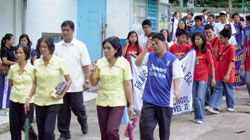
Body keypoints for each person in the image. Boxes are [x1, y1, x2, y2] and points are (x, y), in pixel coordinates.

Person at [135, 33, 183, 140]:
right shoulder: (150, 56)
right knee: (145, 128)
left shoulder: (173, 59)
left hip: (165, 101)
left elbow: (176, 76)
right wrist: (146, 49)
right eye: (153, 44)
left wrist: (176, 90)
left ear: (164, 42)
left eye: (157, 43)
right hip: (149, 99)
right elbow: (137, 63)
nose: (155, 46)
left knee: (164, 133)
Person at [24, 36, 72, 140]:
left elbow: (69, 80)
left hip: (53, 100)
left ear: (50, 47)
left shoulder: (60, 62)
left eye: (45, 47)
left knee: (48, 130)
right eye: (41, 47)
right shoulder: (36, 63)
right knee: (41, 132)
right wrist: (28, 98)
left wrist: (62, 94)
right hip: (39, 100)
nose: (42, 49)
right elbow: (35, 84)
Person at [90, 36, 134, 140]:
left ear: (116, 49)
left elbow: (128, 85)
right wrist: (92, 74)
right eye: (104, 48)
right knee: (104, 133)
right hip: (102, 101)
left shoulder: (124, 63)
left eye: (108, 48)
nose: (105, 51)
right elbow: (94, 82)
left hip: (117, 102)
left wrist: (131, 104)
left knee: (111, 130)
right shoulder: (100, 63)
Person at [54, 20, 91, 140]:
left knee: (78, 108)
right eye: (63, 30)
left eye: (67, 30)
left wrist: (87, 80)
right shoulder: (56, 47)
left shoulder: (80, 46)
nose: (65, 32)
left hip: (76, 85)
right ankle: (64, 133)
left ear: (73, 31)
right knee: (62, 112)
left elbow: (85, 65)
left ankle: (83, 121)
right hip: (61, 86)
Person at [8, 44, 37, 140]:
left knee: (25, 126)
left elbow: (35, 84)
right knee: (14, 128)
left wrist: (28, 97)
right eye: (16, 53)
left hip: (27, 102)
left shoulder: (32, 69)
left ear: (26, 54)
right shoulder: (13, 68)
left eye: (21, 53)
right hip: (14, 100)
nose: (18, 55)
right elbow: (11, 83)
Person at [208, 28, 235, 114]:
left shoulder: (231, 48)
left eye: (221, 37)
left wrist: (227, 75)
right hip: (219, 72)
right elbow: (219, 58)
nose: (220, 39)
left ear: (227, 38)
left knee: (228, 90)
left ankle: (231, 105)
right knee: (218, 89)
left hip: (228, 73)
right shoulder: (222, 47)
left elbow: (231, 62)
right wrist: (215, 53)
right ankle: (215, 106)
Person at [192, 32, 215, 124]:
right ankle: (197, 116)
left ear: (203, 40)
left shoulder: (207, 52)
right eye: (195, 39)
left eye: (198, 39)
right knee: (195, 98)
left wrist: (213, 78)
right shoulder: (193, 52)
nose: (196, 41)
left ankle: (201, 117)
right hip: (194, 78)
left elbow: (212, 65)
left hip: (203, 78)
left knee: (200, 97)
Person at [0, 33, 16, 109]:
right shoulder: (4, 49)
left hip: (12, 70)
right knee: (6, 88)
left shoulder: (13, 49)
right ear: (7, 40)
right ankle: (3, 106)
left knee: (10, 88)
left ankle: (8, 105)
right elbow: (5, 61)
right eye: (12, 39)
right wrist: (14, 63)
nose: (13, 41)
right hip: (7, 70)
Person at [240, 15, 250, 106]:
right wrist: (242, 63)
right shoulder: (247, 41)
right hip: (247, 64)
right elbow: (245, 52)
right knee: (248, 81)